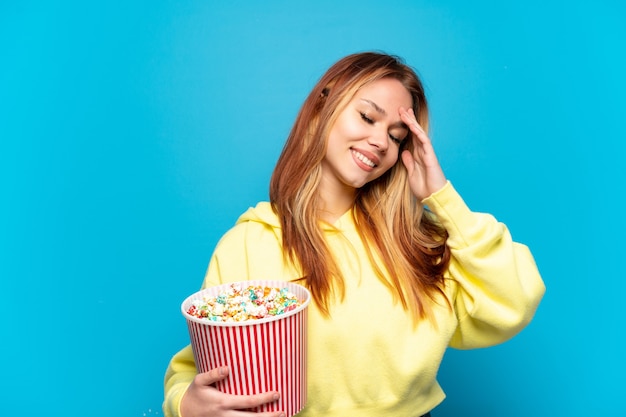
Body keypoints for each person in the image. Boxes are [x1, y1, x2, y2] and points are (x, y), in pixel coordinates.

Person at [163, 52, 545, 417]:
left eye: (397, 137)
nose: (381, 142)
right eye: (367, 117)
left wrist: (442, 199)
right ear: (321, 109)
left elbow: (515, 299)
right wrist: (183, 404)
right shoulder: (249, 244)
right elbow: (201, 366)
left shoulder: (417, 243)